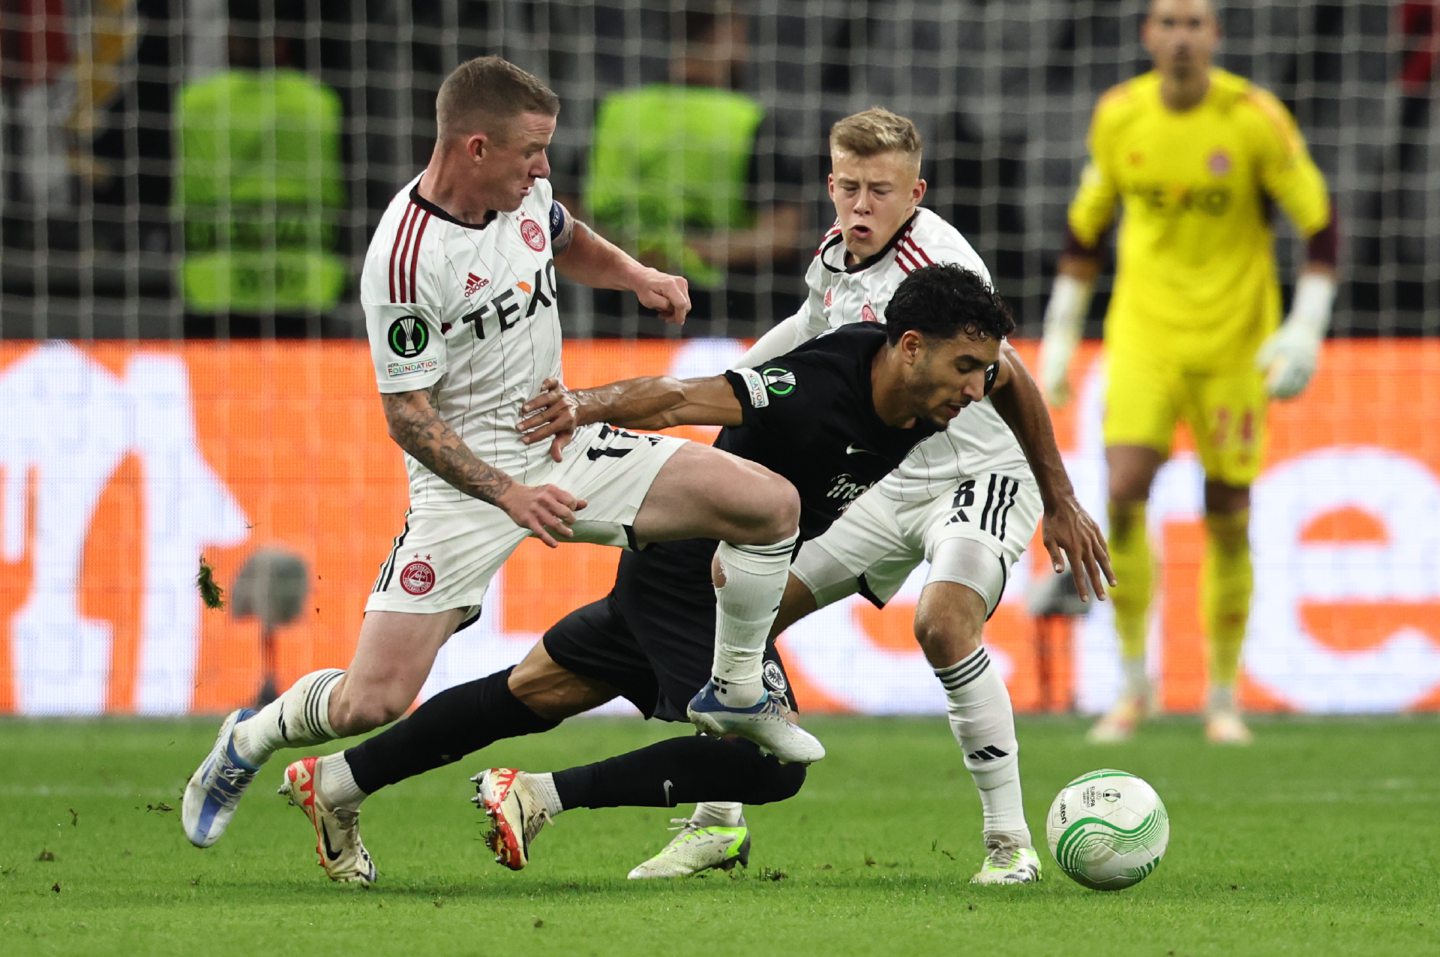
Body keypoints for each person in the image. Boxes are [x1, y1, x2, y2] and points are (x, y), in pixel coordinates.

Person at [180, 55, 822, 860]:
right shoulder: (405, 258)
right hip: (465, 486)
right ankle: (255, 734)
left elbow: (562, 234)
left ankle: (735, 692)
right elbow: (407, 417)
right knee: (367, 701)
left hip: (566, 438)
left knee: (770, 504)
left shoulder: (524, 197)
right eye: (531, 152)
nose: (544, 168)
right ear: (475, 147)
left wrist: (637, 276)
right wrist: (510, 493)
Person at [610, 107, 1113, 883]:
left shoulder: (942, 270)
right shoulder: (837, 253)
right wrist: (738, 386)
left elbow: (1009, 379)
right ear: (830, 182)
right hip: (888, 475)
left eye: (880, 190)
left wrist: (1061, 498)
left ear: (915, 191)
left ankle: (1009, 846)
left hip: (977, 475)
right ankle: (717, 822)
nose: (861, 206)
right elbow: (809, 324)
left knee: (944, 625)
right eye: (848, 187)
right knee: (745, 603)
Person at [1037, 0, 1338, 746]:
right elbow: (1085, 231)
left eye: (1194, 23)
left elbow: (1320, 223)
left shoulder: (1253, 118)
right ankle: (1134, 685)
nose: (1180, 37)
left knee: (1227, 512)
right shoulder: (1119, 116)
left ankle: (1223, 695)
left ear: (1216, 36)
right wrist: (1059, 340)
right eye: (1167, 22)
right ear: (1147, 34)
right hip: (1144, 336)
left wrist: (1304, 327)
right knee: (1126, 489)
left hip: (1235, 345)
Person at [582, 2, 804, 326]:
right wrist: (690, 251)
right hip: (717, 321)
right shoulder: (748, 120)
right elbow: (784, 232)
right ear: (728, 31)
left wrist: (634, 254)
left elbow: (562, 212)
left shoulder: (615, 112)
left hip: (617, 319)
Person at [174, 0, 349, 338]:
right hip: (307, 291)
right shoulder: (320, 104)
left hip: (213, 290)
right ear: (280, 37)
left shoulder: (193, 104)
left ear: (229, 36)